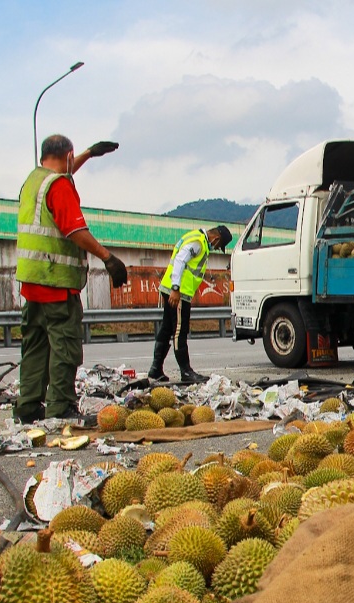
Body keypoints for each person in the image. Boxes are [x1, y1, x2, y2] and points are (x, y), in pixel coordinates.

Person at [14, 134, 128, 423]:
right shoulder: (60, 186)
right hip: (56, 282)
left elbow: (61, 172)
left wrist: (89, 154)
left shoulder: (33, 182)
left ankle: (28, 407)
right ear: (67, 156)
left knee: (35, 347)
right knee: (64, 347)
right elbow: (74, 230)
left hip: (32, 282)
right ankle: (60, 406)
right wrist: (107, 257)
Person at [147, 225, 232, 383]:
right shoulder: (198, 243)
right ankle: (185, 371)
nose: (216, 248)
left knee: (166, 328)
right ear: (216, 238)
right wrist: (176, 288)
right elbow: (180, 260)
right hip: (178, 293)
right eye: (219, 245)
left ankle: (155, 369)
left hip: (171, 288)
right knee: (179, 330)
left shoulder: (194, 236)